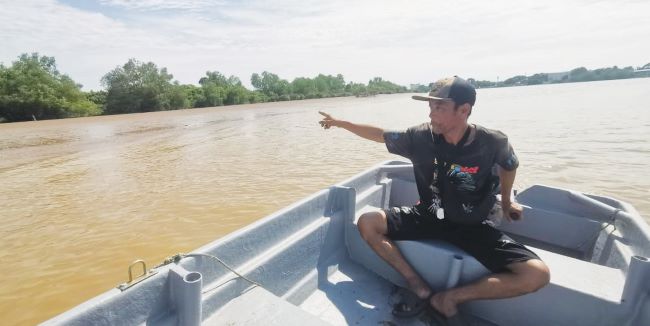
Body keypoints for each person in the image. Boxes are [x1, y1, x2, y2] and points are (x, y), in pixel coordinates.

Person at [318, 76, 550, 319]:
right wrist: (341, 123)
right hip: (428, 216)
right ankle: (416, 284)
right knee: (368, 223)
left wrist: (505, 201)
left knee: (536, 274)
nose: (431, 114)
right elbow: (380, 134)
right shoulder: (420, 137)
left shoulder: (492, 142)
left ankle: (448, 298)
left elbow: (509, 165)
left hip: (472, 225)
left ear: (464, 110)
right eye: (430, 106)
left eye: (439, 107)